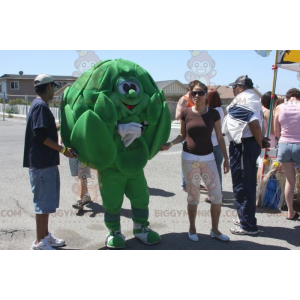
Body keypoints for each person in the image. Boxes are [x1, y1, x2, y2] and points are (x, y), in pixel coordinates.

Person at [161, 80, 230, 242]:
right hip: (189, 159)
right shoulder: (185, 113)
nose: (197, 95)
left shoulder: (214, 113)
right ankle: (192, 228)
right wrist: (170, 144)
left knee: (216, 196)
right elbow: (182, 135)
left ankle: (215, 230)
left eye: (200, 92)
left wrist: (226, 158)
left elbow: (219, 137)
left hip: (209, 158)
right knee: (193, 196)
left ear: (206, 95)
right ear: (190, 94)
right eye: (194, 93)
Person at [23, 74, 76, 250]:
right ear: (47, 88)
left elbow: (45, 130)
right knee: (42, 204)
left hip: (45, 163)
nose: (54, 90)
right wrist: (62, 150)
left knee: (46, 204)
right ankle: (39, 243)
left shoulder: (39, 105)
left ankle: (45, 236)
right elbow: (41, 136)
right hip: (42, 164)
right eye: (53, 87)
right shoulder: (40, 106)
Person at [223, 75, 270, 235]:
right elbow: (255, 124)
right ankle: (245, 217)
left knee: (242, 185)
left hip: (243, 146)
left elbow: (254, 124)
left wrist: (259, 141)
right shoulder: (253, 98)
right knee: (246, 183)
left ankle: (248, 225)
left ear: (240, 87)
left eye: (234, 87)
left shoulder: (245, 99)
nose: (233, 90)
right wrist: (260, 140)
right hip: (246, 145)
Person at [274, 88, 300, 220]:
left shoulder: (279, 107)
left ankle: (290, 211)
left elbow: (276, 130)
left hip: (284, 145)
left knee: (290, 180)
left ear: (288, 97)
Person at [206, 89, 224, 193]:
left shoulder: (209, 111)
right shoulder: (221, 110)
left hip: (210, 142)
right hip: (219, 142)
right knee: (217, 168)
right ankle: (218, 190)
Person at [257, 92, 278, 182]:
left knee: (261, 165)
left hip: (264, 140)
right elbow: (273, 129)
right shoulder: (268, 112)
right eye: (275, 102)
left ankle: (260, 186)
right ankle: (262, 187)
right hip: (269, 142)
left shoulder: (260, 109)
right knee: (264, 166)